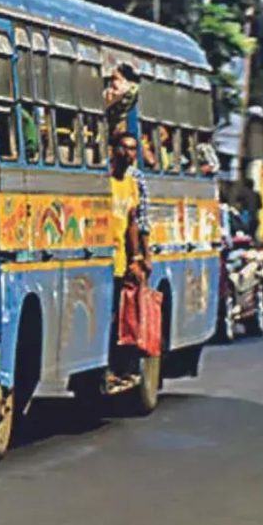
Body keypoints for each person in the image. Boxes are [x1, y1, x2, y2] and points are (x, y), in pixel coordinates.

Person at [107, 130, 151, 392]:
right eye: (124, 148)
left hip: (121, 262)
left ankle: (121, 369)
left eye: (134, 149)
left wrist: (138, 257)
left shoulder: (132, 183)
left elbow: (134, 222)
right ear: (113, 150)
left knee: (121, 320)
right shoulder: (103, 180)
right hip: (102, 262)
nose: (130, 154)